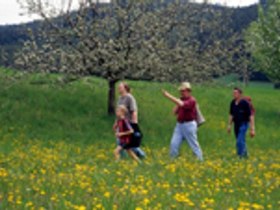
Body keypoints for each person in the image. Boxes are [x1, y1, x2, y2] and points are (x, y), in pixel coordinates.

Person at [162, 82, 203, 161]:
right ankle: (173, 160)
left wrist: (168, 96)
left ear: (188, 91)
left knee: (193, 144)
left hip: (189, 125)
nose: (182, 93)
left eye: (183, 91)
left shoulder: (192, 100)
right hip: (179, 125)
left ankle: (200, 159)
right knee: (173, 143)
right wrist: (178, 102)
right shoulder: (180, 100)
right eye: (181, 91)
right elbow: (174, 112)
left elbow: (183, 104)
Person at [113, 82, 146, 158]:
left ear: (125, 88)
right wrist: (116, 123)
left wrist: (134, 124)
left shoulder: (129, 98)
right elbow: (118, 112)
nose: (119, 89)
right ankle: (123, 158)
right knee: (120, 141)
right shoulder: (120, 98)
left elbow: (134, 111)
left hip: (128, 123)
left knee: (130, 143)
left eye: (120, 87)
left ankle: (141, 155)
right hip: (121, 123)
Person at [227, 87, 255, 158]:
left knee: (239, 141)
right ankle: (246, 155)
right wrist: (229, 125)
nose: (234, 94)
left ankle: (240, 156)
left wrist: (252, 129)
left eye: (235, 93)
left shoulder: (245, 103)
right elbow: (231, 114)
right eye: (233, 93)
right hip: (236, 124)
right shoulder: (233, 102)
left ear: (240, 94)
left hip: (244, 124)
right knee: (240, 140)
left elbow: (250, 116)